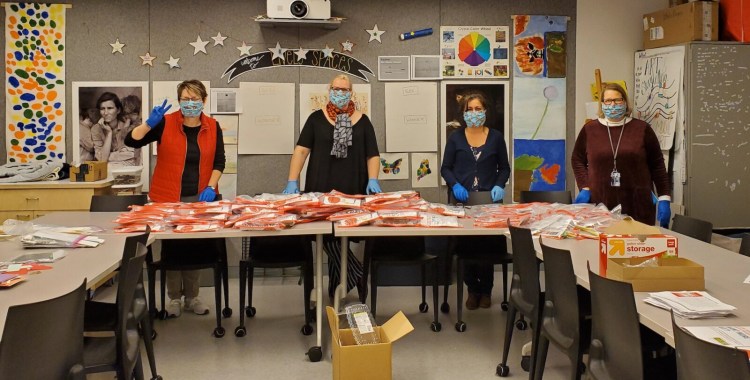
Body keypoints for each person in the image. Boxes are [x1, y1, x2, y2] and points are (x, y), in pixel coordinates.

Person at [125, 80, 226, 317]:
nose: (190, 104)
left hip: (199, 197)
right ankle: (174, 299)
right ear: (179, 100)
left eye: (195, 99)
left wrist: (211, 186)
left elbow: (219, 162)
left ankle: (192, 297)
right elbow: (131, 141)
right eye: (185, 99)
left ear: (204, 100)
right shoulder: (166, 122)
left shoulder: (213, 126)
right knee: (171, 248)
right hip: (167, 197)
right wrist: (149, 124)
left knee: (193, 247)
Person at [282, 74, 381, 300]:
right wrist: (292, 180)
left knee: (343, 236)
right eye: (336, 88)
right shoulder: (316, 119)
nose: (340, 93)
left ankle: (338, 288)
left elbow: (372, 154)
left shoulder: (363, 121)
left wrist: (373, 179)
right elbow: (301, 150)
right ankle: (355, 274)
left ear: (351, 93)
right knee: (326, 237)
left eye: (345, 90)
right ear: (329, 90)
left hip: (353, 189)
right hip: (320, 189)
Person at [441, 91, 511, 310]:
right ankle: (472, 289)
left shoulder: (497, 137)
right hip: (463, 203)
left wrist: (500, 185)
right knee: (467, 248)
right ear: (463, 113)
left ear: (485, 111)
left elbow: (505, 168)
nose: (473, 113)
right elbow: (446, 168)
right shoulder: (455, 138)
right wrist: (455, 185)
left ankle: (486, 291)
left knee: (488, 248)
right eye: (469, 109)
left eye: (477, 109)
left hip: (489, 202)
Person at [571, 82, 671, 227]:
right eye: (608, 101)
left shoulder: (642, 129)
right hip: (600, 203)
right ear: (602, 104)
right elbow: (577, 159)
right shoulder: (590, 129)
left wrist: (664, 197)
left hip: (637, 203)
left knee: (636, 246)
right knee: (601, 246)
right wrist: (585, 186)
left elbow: (657, 165)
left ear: (625, 102)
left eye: (617, 100)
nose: (613, 104)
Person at [92, 92, 141, 166]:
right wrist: (109, 133)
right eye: (102, 109)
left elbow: (133, 155)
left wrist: (109, 155)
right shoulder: (96, 129)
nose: (105, 113)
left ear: (118, 110)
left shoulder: (127, 127)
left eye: (110, 108)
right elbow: (102, 160)